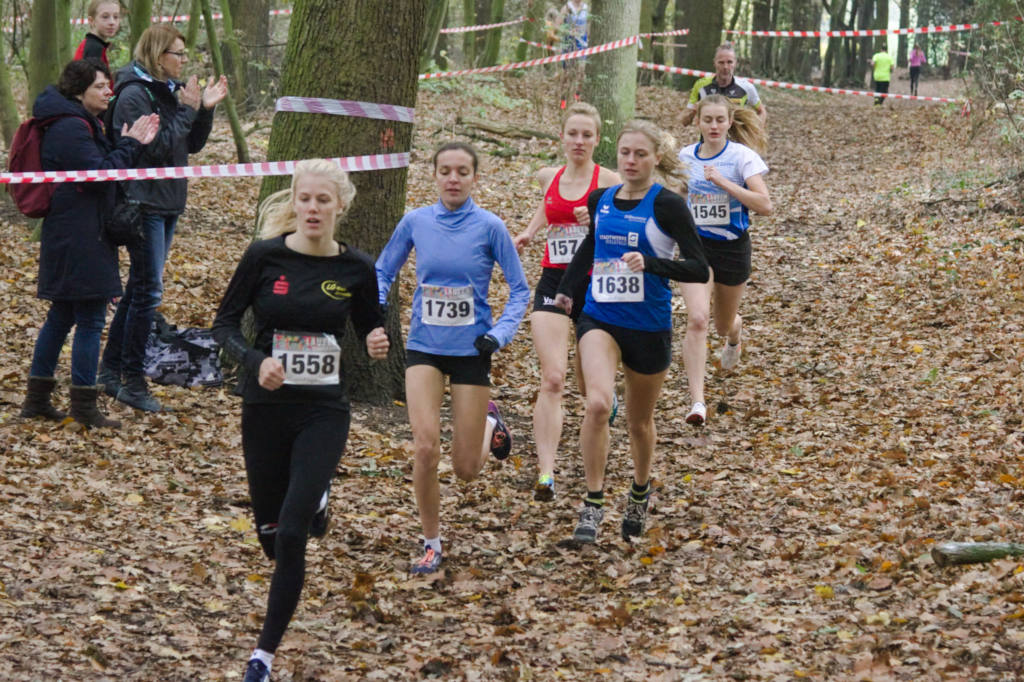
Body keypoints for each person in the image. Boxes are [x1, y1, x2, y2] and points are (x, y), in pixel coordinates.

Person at [211, 159, 389, 682]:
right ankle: (315, 502)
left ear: (340, 206)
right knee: (271, 537)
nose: (312, 209)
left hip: (323, 410)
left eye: (323, 200)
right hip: (265, 408)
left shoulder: (357, 267)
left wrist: (377, 342)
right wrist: (255, 361)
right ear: (295, 202)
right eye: (305, 199)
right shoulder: (265, 256)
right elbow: (223, 325)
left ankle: (262, 657)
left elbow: (370, 328)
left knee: (291, 534)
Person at [375, 142, 530, 574]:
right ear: (435, 175)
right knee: (425, 447)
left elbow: (520, 291)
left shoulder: (490, 227)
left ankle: (488, 424)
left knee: (465, 470)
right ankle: (431, 542)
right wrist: (375, 311)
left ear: (475, 177)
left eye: (462, 171)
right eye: (445, 170)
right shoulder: (416, 221)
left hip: (471, 353)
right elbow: (383, 270)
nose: (453, 179)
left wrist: (498, 335)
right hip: (424, 348)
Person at [554, 120, 709, 544]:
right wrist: (568, 290)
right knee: (599, 404)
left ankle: (639, 490)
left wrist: (652, 263)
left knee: (640, 423)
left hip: (649, 326)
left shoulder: (668, 205)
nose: (631, 161)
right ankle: (593, 503)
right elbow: (592, 244)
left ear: (656, 157)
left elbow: (698, 266)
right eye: (625, 153)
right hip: (599, 317)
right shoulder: (601, 198)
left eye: (640, 154)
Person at [19, 59, 158, 429]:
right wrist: (130, 144)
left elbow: (105, 166)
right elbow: (99, 176)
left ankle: (37, 399)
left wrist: (131, 145)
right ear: (79, 91)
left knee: (63, 315)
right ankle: (82, 404)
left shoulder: (80, 123)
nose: (107, 92)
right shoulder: (70, 128)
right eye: (100, 86)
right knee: (90, 319)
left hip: (78, 231)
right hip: (80, 235)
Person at [98, 24, 228, 412]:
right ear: (158, 57)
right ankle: (132, 379)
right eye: (178, 54)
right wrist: (188, 109)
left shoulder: (167, 92)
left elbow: (189, 144)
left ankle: (111, 369)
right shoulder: (133, 94)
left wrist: (203, 109)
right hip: (144, 205)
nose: (184, 61)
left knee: (140, 290)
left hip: (169, 201)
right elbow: (154, 151)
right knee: (147, 292)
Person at [512, 102, 620, 501]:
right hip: (553, 280)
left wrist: (597, 220)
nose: (579, 141)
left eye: (586, 135)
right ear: (562, 137)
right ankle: (545, 473)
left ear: (596, 139)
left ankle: (603, 403)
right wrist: (528, 232)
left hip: (596, 284)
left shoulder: (608, 179)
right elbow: (548, 202)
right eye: (572, 133)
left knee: (586, 382)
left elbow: (627, 219)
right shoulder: (548, 175)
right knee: (553, 378)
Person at [677, 94, 772, 426]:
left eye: (720, 120)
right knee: (698, 320)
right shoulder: (685, 157)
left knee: (720, 324)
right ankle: (698, 402)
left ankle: (735, 333)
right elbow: (673, 198)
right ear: (699, 122)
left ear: (730, 122)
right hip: (695, 248)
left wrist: (723, 183)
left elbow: (764, 205)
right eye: (708, 120)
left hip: (732, 247)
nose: (714, 126)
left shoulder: (742, 157)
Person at [681, 43, 766, 127]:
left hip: (736, 139)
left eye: (729, 62)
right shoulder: (701, 86)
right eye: (721, 62)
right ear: (714, 63)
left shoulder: (746, 87)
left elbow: (762, 111)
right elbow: (684, 122)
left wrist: (756, 132)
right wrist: (694, 111)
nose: (725, 67)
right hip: (708, 139)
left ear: (735, 63)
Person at [73, 0, 121, 68]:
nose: (112, 22)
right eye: (105, 17)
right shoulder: (93, 49)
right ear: (91, 21)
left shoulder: (93, 44)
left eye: (116, 17)